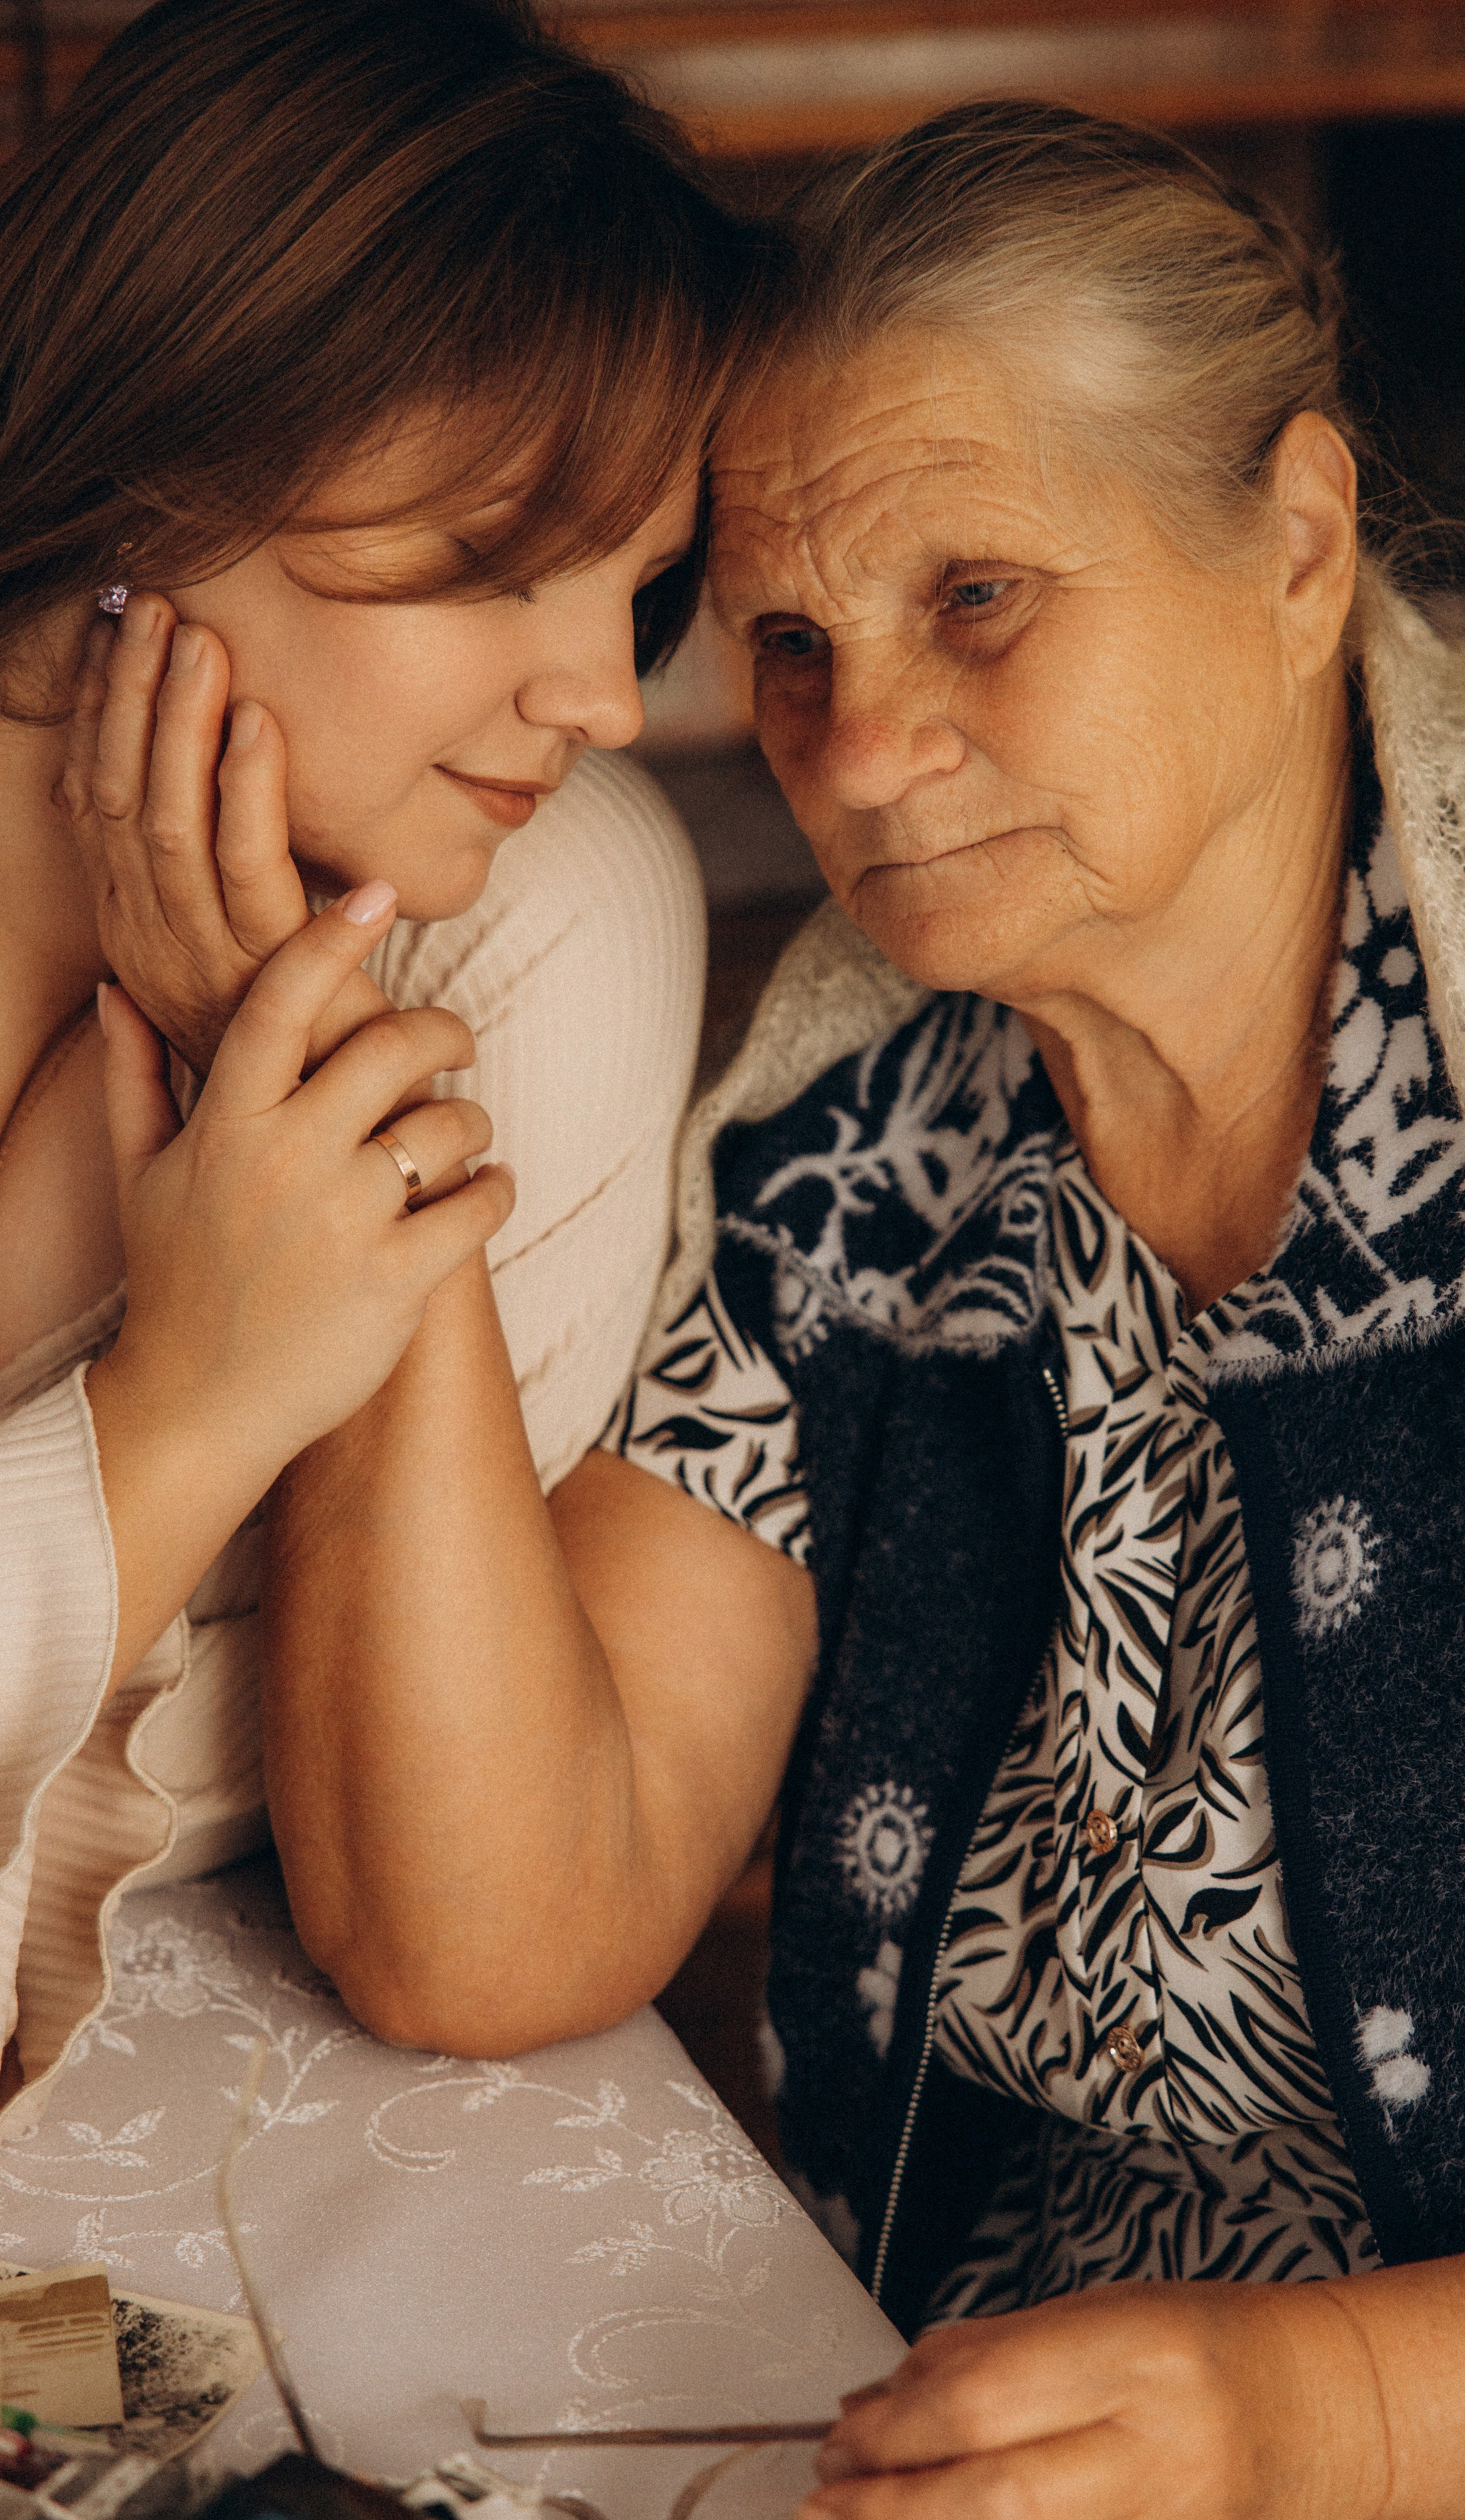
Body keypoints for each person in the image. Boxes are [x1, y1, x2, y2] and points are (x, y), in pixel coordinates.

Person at [538, 101, 1465, 2520]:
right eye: (788, 644)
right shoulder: (853, 1141)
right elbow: (523, 1905)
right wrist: (376, 1136)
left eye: (977, 596)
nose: (855, 748)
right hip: (956, 2455)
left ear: (1293, 542)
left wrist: (1312, 2432)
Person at [0, 0, 768, 2127]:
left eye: (639, 587)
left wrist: (303, 1066)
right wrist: (190, 1405)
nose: (607, 697)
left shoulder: (529, 917)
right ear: (161, 467)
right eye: (501, 563)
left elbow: (460, 1922)